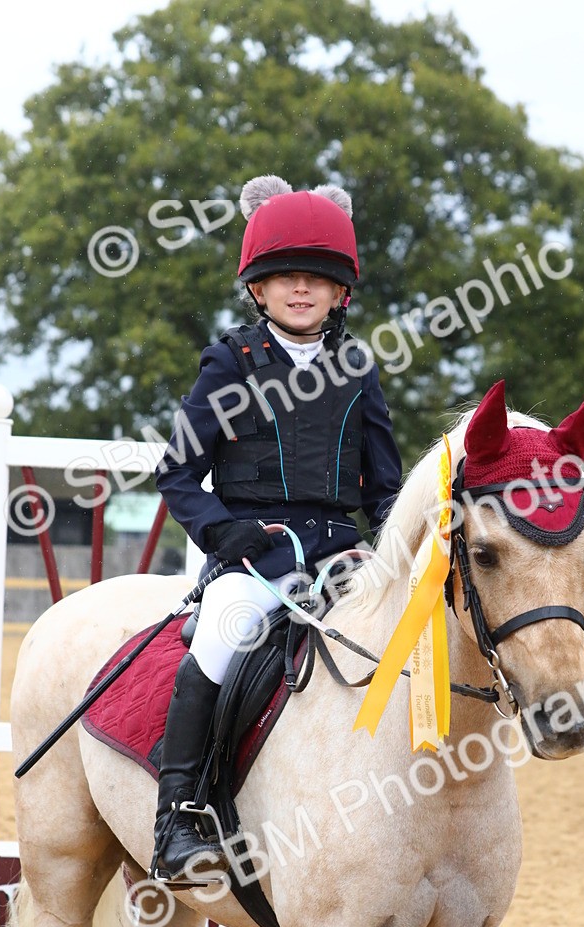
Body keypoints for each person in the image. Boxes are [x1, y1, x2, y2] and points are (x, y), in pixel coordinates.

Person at [151, 174, 403, 884]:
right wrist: (222, 533)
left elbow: (386, 489)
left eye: (317, 280)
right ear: (257, 290)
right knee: (227, 629)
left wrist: (404, 547)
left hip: (344, 556)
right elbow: (176, 473)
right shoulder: (231, 362)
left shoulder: (358, 369)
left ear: (339, 293)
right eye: (285, 278)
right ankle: (179, 816)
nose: (301, 290)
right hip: (255, 554)